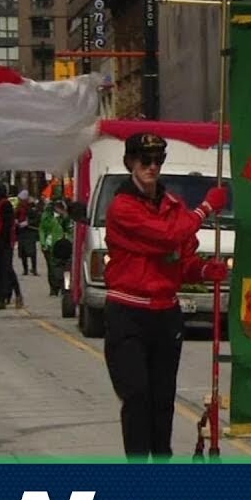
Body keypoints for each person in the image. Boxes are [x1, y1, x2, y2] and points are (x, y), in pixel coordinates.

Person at [102, 132, 228, 462]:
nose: (152, 167)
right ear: (131, 163)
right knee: (137, 394)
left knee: (162, 399)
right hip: (128, 312)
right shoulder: (122, 208)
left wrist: (203, 272)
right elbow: (166, 236)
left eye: (158, 161)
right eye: (145, 161)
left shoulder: (173, 206)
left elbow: (181, 257)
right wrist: (204, 208)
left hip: (165, 314)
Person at [0, 183, 21, 310]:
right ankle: (1, 298)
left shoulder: (5, 204)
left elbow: (7, 225)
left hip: (4, 243)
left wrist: (2, 242)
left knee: (7, 269)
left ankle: (17, 295)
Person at [39, 199, 74, 297]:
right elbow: (42, 230)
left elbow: (71, 229)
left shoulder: (67, 218)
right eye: (58, 207)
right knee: (53, 270)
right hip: (51, 247)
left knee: (67, 270)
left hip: (66, 247)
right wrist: (43, 243)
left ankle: (66, 288)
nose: (59, 210)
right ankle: (54, 288)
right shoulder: (47, 217)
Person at [16, 190, 41, 276]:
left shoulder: (32, 207)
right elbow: (15, 216)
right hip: (22, 232)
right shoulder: (18, 207)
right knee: (23, 252)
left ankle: (34, 268)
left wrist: (28, 222)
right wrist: (16, 221)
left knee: (32, 251)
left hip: (30, 231)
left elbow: (37, 218)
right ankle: (25, 269)